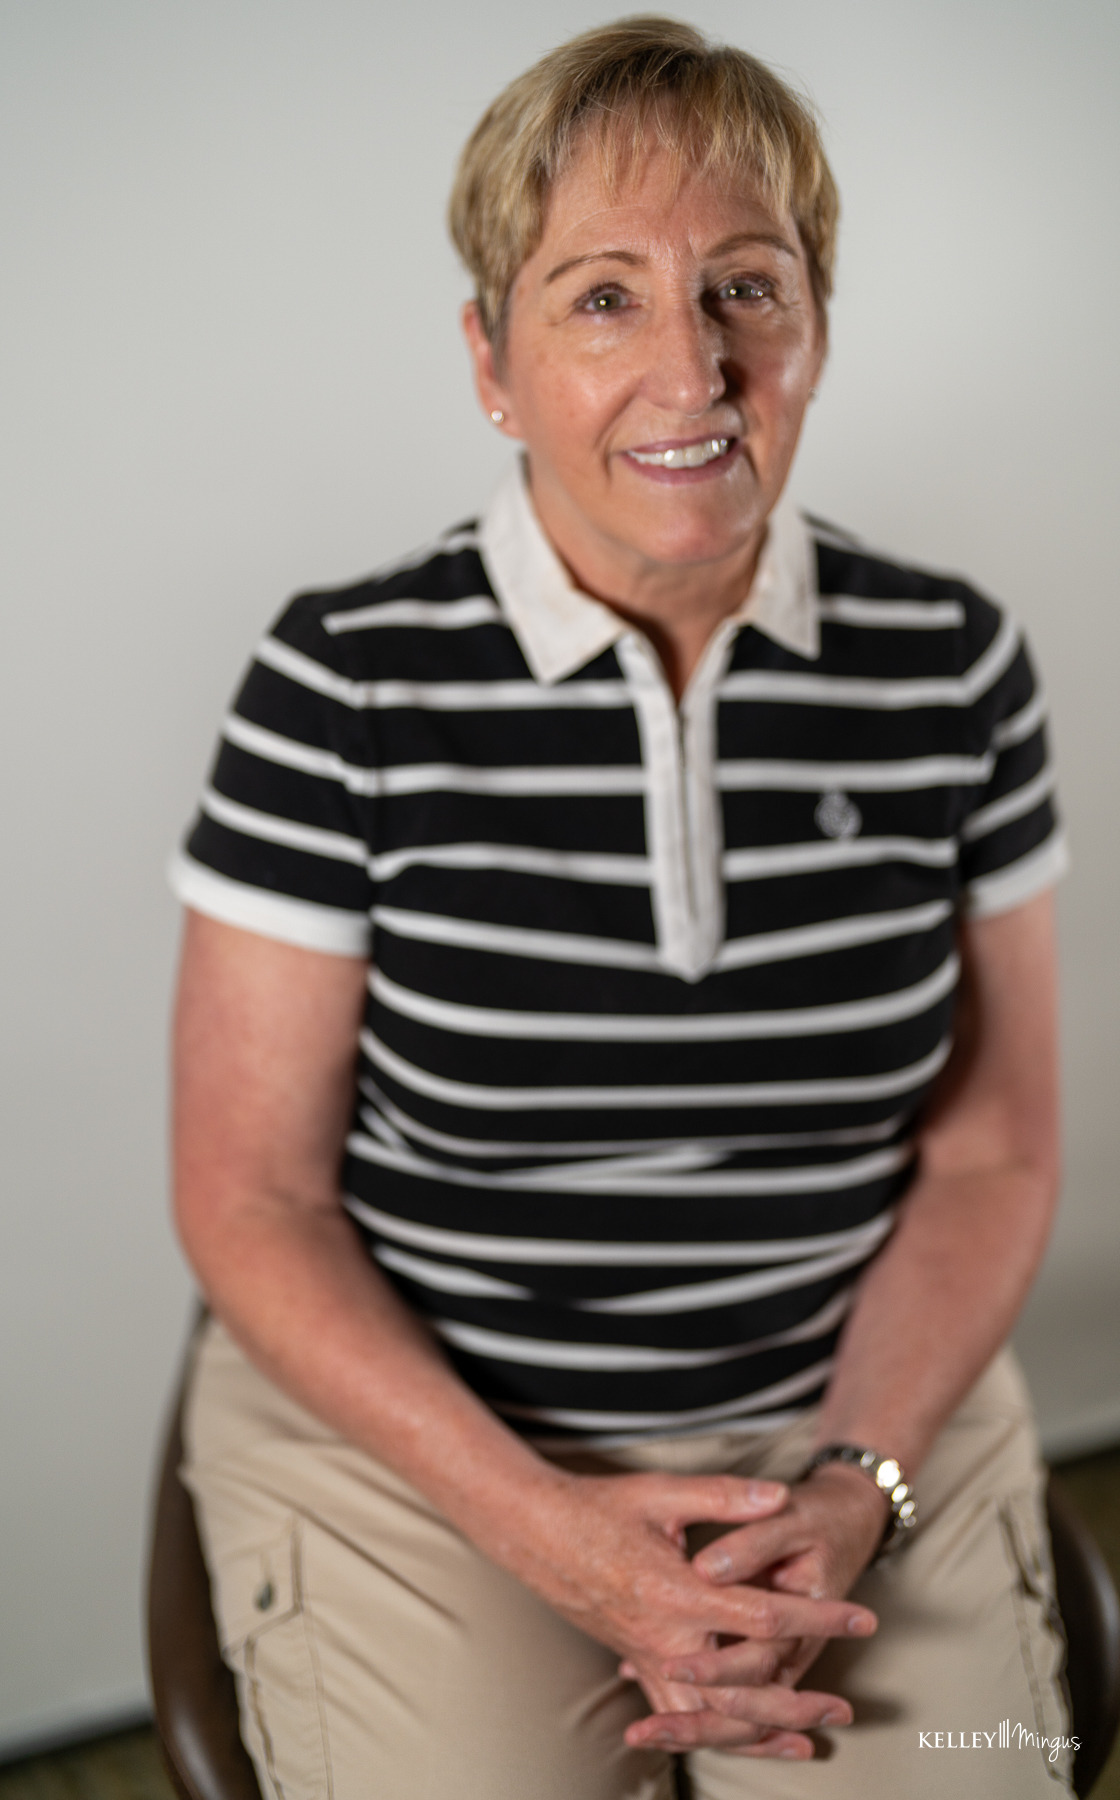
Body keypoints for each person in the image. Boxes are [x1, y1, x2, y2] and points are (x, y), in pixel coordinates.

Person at [168, 18, 1072, 1799]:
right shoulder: (339, 682)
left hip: (854, 1403)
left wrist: (857, 1488)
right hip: (439, 1437)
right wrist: (543, 1528)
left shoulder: (955, 664)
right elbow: (252, 1197)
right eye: (602, 298)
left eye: (747, 287)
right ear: (491, 361)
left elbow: (993, 1155)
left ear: (817, 327)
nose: (692, 368)